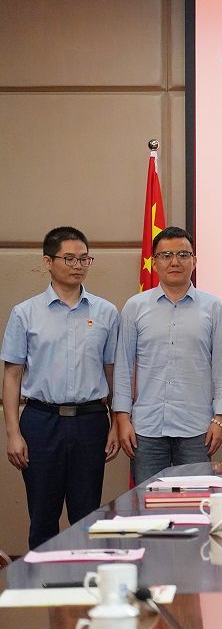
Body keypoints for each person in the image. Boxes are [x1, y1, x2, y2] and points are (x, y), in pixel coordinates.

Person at [1, 227, 119, 549]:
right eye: (69, 258)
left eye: (84, 259)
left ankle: (86, 578)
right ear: (48, 262)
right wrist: (13, 433)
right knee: (43, 518)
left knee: (87, 516)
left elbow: (112, 372)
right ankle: (44, 582)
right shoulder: (25, 313)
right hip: (41, 423)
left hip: (90, 422)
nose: (78, 265)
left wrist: (116, 423)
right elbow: (12, 375)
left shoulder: (106, 312)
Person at [113, 227, 222, 484]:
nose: (175, 262)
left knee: (195, 501)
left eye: (183, 254)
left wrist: (220, 420)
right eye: (166, 255)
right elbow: (123, 368)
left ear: (194, 261)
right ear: (154, 262)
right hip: (146, 430)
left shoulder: (213, 307)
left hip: (197, 430)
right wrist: (123, 419)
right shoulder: (135, 307)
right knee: (147, 502)